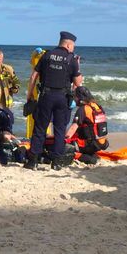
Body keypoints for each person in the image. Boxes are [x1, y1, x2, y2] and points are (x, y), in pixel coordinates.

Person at [24, 31, 83, 170]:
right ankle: (56, 162)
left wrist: (29, 95)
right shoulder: (72, 59)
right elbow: (77, 83)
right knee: (60, 129)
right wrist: (78, 66)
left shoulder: (47, 55)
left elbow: (33, 77)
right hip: (62, 98)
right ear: (68, 44)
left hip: (46, 96)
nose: (73, 48)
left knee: (40, 128)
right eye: (73, 46)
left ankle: (33, 161)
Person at [65, 86, 109, 164]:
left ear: (80, 98)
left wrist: (63, 141)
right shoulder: (97, 107)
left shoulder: (83, 109)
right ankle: (92, 154)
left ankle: (87, 158)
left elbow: (72, 129)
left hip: (90, 144)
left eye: (75, 97)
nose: (74, 99)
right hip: (101, 142)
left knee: (67, 149)